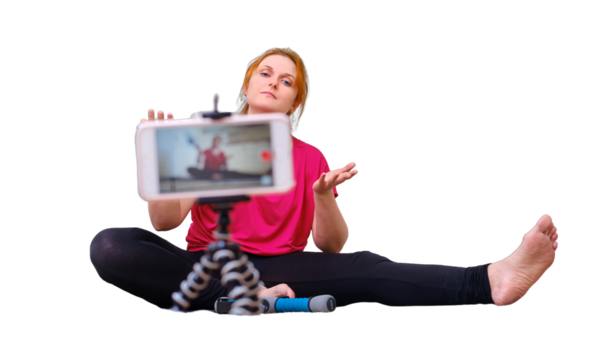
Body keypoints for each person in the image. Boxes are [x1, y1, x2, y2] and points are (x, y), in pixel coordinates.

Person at [88, 47, 560, 311]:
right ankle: (231, 298)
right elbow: (164, 224)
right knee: (109, 245)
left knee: (368, 267)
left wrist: (323, 196)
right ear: (248, 85)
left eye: (286, 80)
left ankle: (488, 282)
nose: (274, 81)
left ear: (294, 102)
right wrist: (154, 157)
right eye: (265, 73)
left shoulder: (311, 157)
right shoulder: (203, 138)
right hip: (208, 264)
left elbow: (332, 247)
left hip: (281, 270)